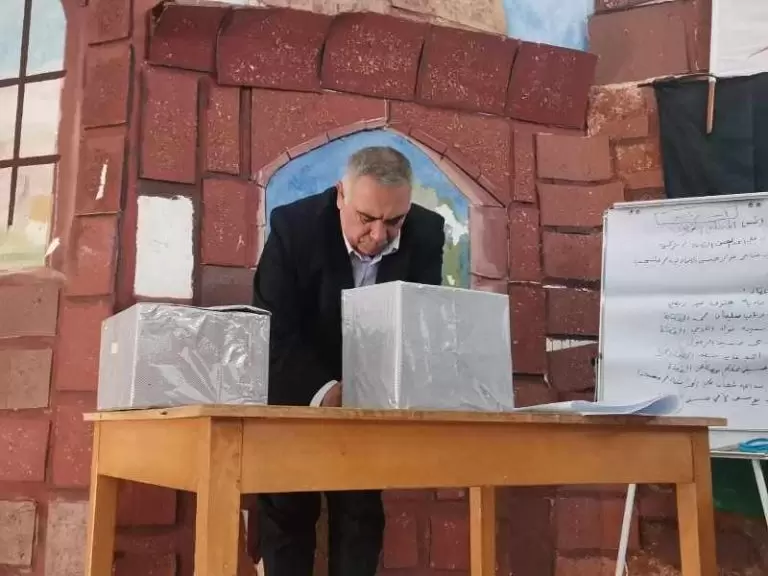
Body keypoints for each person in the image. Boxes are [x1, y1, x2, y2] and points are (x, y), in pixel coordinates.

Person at [252, 146, 445, 576]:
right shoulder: (294, 227)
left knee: (360, 517)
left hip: (370, 403)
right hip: (298, 390)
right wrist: (325, 392)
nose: (379, 235)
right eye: (366, 218)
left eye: (394, 222)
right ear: (341, 194)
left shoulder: (427, 232)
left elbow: (420, 323)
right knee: (288, 513)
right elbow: (272, 330)